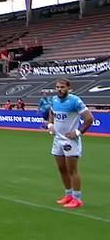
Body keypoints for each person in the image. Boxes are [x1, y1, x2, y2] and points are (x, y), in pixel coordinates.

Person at [47, 78, 94, 209]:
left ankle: (77, 198)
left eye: (62, 87)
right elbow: (51, 112)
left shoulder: (75, 101)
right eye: (57, 87)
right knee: (61, 169)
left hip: (70, 141)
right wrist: (50, 124)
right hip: (57, 139)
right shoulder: (55, 100)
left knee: (72, 170)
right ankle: (68, 194)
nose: (59, 90)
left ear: (68, 88)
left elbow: (89, 119)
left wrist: (78, 132)